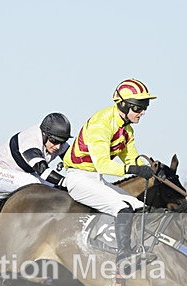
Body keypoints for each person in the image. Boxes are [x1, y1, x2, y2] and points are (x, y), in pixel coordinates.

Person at [62, 78, 158, 267]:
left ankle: (136, 249)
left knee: (139, 207)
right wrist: (133, 169)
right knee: (122, 208)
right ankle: (122, 256)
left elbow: (131, 159)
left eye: (145, 107)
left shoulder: (127, 130)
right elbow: (103, 165)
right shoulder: (101, 123)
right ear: (123, 104)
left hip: (95, 179)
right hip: (78, 178)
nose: (143, 112)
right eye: (138, 108)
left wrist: (148, 168)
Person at [0, 113, 72, 194]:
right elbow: (43, 171)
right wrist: (69, 183)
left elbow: (76, 162)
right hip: (1, 174)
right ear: (44, 134)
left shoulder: (58, 142)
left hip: (26, 174)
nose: (58, 147)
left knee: (60, 188)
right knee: (35, 184)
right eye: (55, 141)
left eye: (62, 142)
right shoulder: (31, 140)